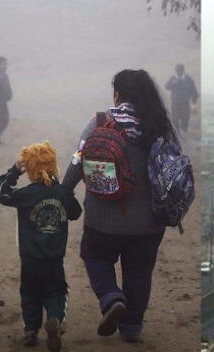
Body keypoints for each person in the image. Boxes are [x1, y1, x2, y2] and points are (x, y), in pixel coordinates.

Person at [62, 69, 176, 343]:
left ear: (118, 94)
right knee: (139, 270)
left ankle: (111, 298)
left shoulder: (101, 121)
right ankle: (132, 327)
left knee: (95, 257)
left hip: (102, 217)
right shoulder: (160, 125)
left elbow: (78, 160)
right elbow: (176, 168)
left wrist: (65, 191)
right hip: (149, 221)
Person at [0, 141, 81, 351]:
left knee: (29, 292)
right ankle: (54, 319)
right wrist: (64, 190)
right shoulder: (62, 192)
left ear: (29, 169)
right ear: (53, 165)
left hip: (30, 257)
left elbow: (1, 193)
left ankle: (30, 331)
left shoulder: (25, 194)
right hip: (54, 258)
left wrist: (13, 172)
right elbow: (75, 213)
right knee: (57, 292)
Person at [164, 63, 198, 136]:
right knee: (175, 120)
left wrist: (194, 104)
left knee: (185, 119)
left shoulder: (188, 79)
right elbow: (166, 86)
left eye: (179, 71)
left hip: (185, 104)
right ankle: (178, 135)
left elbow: (194, 92)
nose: (178, 73)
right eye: (177, 71)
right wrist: (173, 83)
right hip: (175, 104)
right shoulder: (173, 78)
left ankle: (184, 129)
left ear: (183, 71)